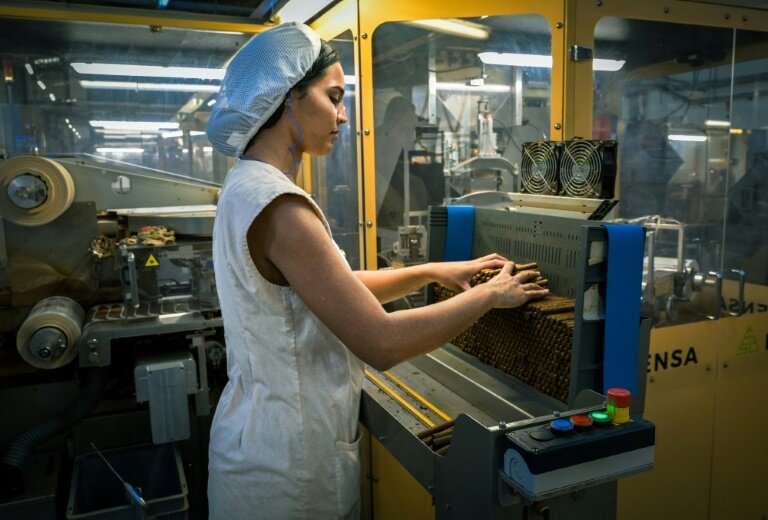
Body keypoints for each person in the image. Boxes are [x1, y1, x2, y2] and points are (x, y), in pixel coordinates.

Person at [205, 22, 548, 520]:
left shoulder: (246, 186)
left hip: (259, 446)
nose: (343, 115)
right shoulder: (280, 206)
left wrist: (433, 272)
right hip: (289, 477)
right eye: (334, 97)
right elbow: (381, 342)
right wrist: (489, 295)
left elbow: (328, 291)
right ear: (288, 99)